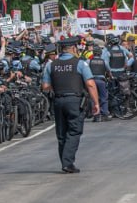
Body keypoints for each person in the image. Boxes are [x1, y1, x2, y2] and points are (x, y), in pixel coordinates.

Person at [42, 37, 99, 173]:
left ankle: (65, 161)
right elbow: (90, 84)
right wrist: (96, 103)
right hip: (74, 101)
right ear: (73, 48)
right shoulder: (80, 63)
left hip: (58, 101)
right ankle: (67, 163)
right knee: (74, 131)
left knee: (61, 133)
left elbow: (45, 86)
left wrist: (58, 87)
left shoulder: (51, 65)